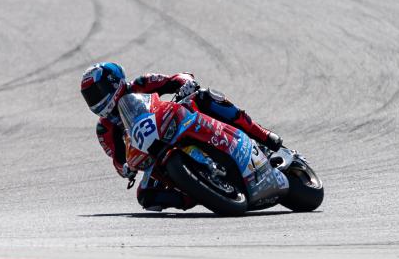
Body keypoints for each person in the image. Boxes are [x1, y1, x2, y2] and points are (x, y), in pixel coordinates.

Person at [79, 62, 282, 212]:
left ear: (113, 82)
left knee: (204, 97)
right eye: (90, 97)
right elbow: (117, 158)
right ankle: (199, 194)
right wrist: (125, 169)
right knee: (146, 196)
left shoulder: (141, 83)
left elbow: (176, 78)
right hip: (155, 155)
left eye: (97, 92)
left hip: (174, 122)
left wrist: (186, 84)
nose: (96, 100)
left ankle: (261, 134)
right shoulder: (104, 129)